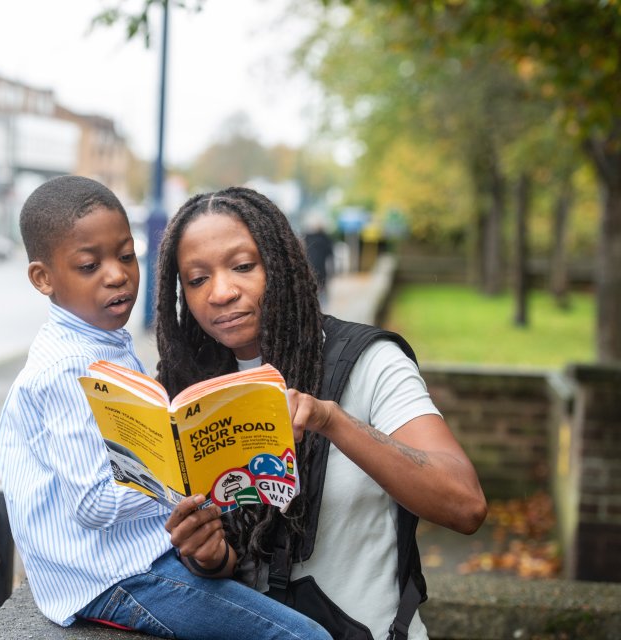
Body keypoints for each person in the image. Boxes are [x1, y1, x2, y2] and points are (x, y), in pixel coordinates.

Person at [0, 175, 330, 640]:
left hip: (140, 558)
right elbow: (93, 502)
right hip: (112, 576)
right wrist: (189, 470)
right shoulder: (67, 368)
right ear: (43, 278)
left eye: (126, 256)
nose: (117, 274)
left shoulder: (103, 344)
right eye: (90, 266)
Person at [153, 186, 487, 639]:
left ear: (282, 264)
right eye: (196, 279)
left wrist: (333, 421)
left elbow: (465, 505)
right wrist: (209, 556)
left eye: (243, 266)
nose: (222, 292)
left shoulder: (371, 361)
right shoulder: (190, 391)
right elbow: (238, 559)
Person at [300, 215, 334, 308]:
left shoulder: (305, 238)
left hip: (308, 271)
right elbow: (330, 258)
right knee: (322, 297)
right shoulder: (326, 239)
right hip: (322, 272)